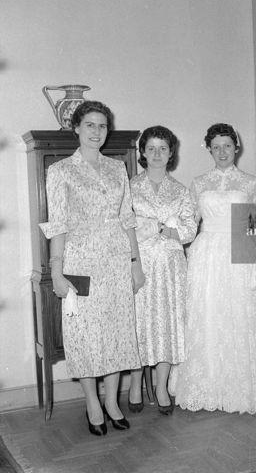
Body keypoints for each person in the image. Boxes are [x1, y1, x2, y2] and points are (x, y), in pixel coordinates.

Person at [40, 100, 144, 436]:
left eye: (102, 125)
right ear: (76, 128)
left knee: (116, 333)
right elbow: (57, 225)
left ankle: (112, 402)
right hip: (80, 261)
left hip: (116, 261)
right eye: (90, 125)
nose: (97, 132)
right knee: (84, 336)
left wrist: (136, 264)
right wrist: (57, 272)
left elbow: (127, 219)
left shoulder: (117, 168)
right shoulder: (61, 171)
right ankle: (92, 403)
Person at [173, 123, 256, 414]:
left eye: (227, 146)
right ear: (209, 149)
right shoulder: (199, 182)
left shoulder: (250, 183)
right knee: (208, 314)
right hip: (206, 255)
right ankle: (208, 385)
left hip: (239, 250)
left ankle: (240, 386)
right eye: (216, 147)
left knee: (241, 314)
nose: (222, 152)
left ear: (236, 147)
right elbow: (189, 223)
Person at [128, 126, 196, 415]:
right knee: (138, 324)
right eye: (151, 148)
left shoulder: (180, 190)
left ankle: (161, 387)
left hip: (170, 266)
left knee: (167, 325)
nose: (157, 154)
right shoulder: (130, 187)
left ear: (171, 153)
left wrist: (167, 231)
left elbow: (189, 229)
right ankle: (135, 385)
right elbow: (124, 225)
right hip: (140, 263)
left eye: (163, 148)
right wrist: (151, 226)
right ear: (143, 152)